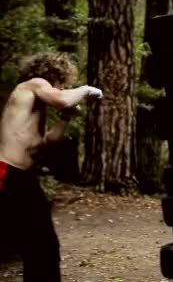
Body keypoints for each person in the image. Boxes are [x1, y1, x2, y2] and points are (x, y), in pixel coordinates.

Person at [0, 53, 103, 282]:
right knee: (40, 244)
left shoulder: (35, 106)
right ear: (54, 75)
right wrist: (86, 90)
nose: (65, 87)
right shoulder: (34, 84)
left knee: (41, 244)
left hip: (21, 177)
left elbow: (44, 145)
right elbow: (62, 99)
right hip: (7, 173)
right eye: (64, 82)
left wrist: (65, 119)